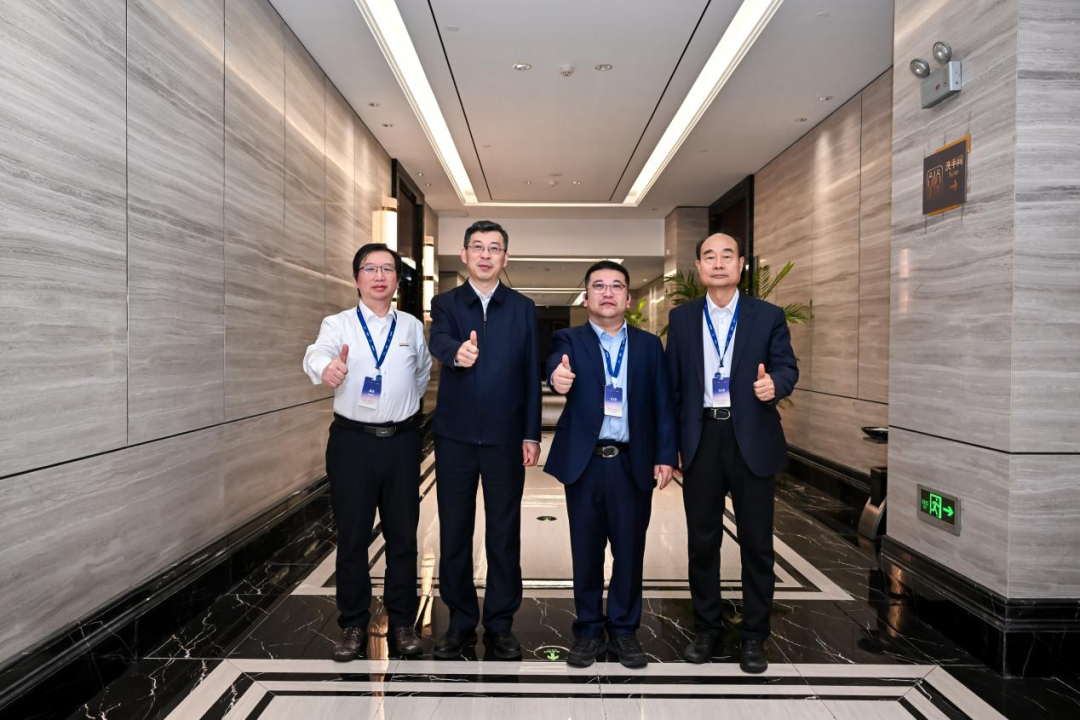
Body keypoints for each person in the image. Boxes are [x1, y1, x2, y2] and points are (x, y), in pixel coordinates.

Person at [665, 233, 799, 673]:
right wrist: (672, 444)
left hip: (751, 439)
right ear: (699, 268)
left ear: (742, 265)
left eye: (728, 256)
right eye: (710, 256)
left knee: (757, 544)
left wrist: (775, 385)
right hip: (701, 438)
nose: (718, 263)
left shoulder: (768, 316)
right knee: (702, 541)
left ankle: (754, 635)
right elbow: (672, 387)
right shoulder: (682, 318)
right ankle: (707, 627)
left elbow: (787, 367)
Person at [302, 243, 432, 661]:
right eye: (369, 268)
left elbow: (422, 373)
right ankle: (353, 625)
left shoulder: (411, 326)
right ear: (356, 278)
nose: (379, 276)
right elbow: (316, 353)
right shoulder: (338, 324)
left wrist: (399, 408)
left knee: (402, 537)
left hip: (402, 442)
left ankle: (403, 623)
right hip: (352, 444)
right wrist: (326, 368)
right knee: (353, 537)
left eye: (387, 269)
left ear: (397, 280)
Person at [544, 261, 677, 669]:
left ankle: (623, 630)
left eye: (616, 286)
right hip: (585, 464)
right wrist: (557, 378)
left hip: (631, 462)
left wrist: (665, 455)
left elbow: (663, 403)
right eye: (598, 286)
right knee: (586, 551)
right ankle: (587, 631)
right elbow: (555, 367)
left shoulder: (649, 346)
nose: (607, 292)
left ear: (628, 299)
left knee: (629, 550)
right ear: (586, 298)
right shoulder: (568, 339)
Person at [428, 220, 541, 659]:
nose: (486, 255)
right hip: (454, 437)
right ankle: (459, 621)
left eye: (494, 248)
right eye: (478, 247)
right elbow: (439, 339)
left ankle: (499, 624)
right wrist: (455, 352)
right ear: (465, 255)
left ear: (505, 258)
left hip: (505, 438)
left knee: (504, 533)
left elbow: (531, 372)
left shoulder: (523, 307)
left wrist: (531, 432)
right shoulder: (446, 303)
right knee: (455, 530)